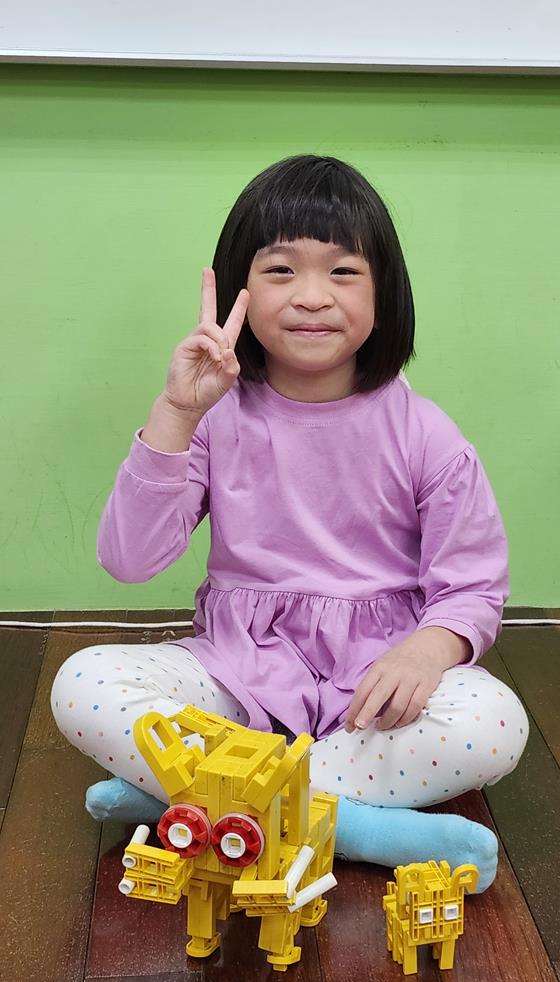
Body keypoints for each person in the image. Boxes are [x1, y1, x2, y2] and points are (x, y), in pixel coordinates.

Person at [50, 154, 529, 893]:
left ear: (384, 295)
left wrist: (425, 654)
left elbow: (472, 588)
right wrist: (176, 413)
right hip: (238, 676)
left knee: (495, 721)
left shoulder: (426, 433)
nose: (311, 296)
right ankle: (354, 826)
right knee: (82, 683)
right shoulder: (212, 418)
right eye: (280, 270)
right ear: (236, 289)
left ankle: (200, 804)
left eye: (343, 272)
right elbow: (129, 558)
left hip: (371, 693)